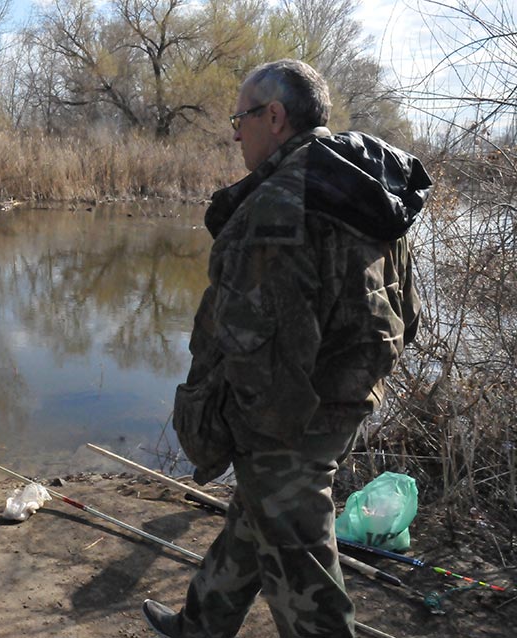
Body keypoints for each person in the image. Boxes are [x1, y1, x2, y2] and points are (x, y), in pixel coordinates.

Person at [143, 59, 432, 638]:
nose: (234, 131)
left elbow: (257, 355)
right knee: (256, 516)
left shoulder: (280, 204)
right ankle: (200, 625)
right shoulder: (360, 184)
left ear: (274, 117)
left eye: (242, 116)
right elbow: (407, 312)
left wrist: (242, 439)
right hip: (348, 396)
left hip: (292, 417)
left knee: (300, 566)